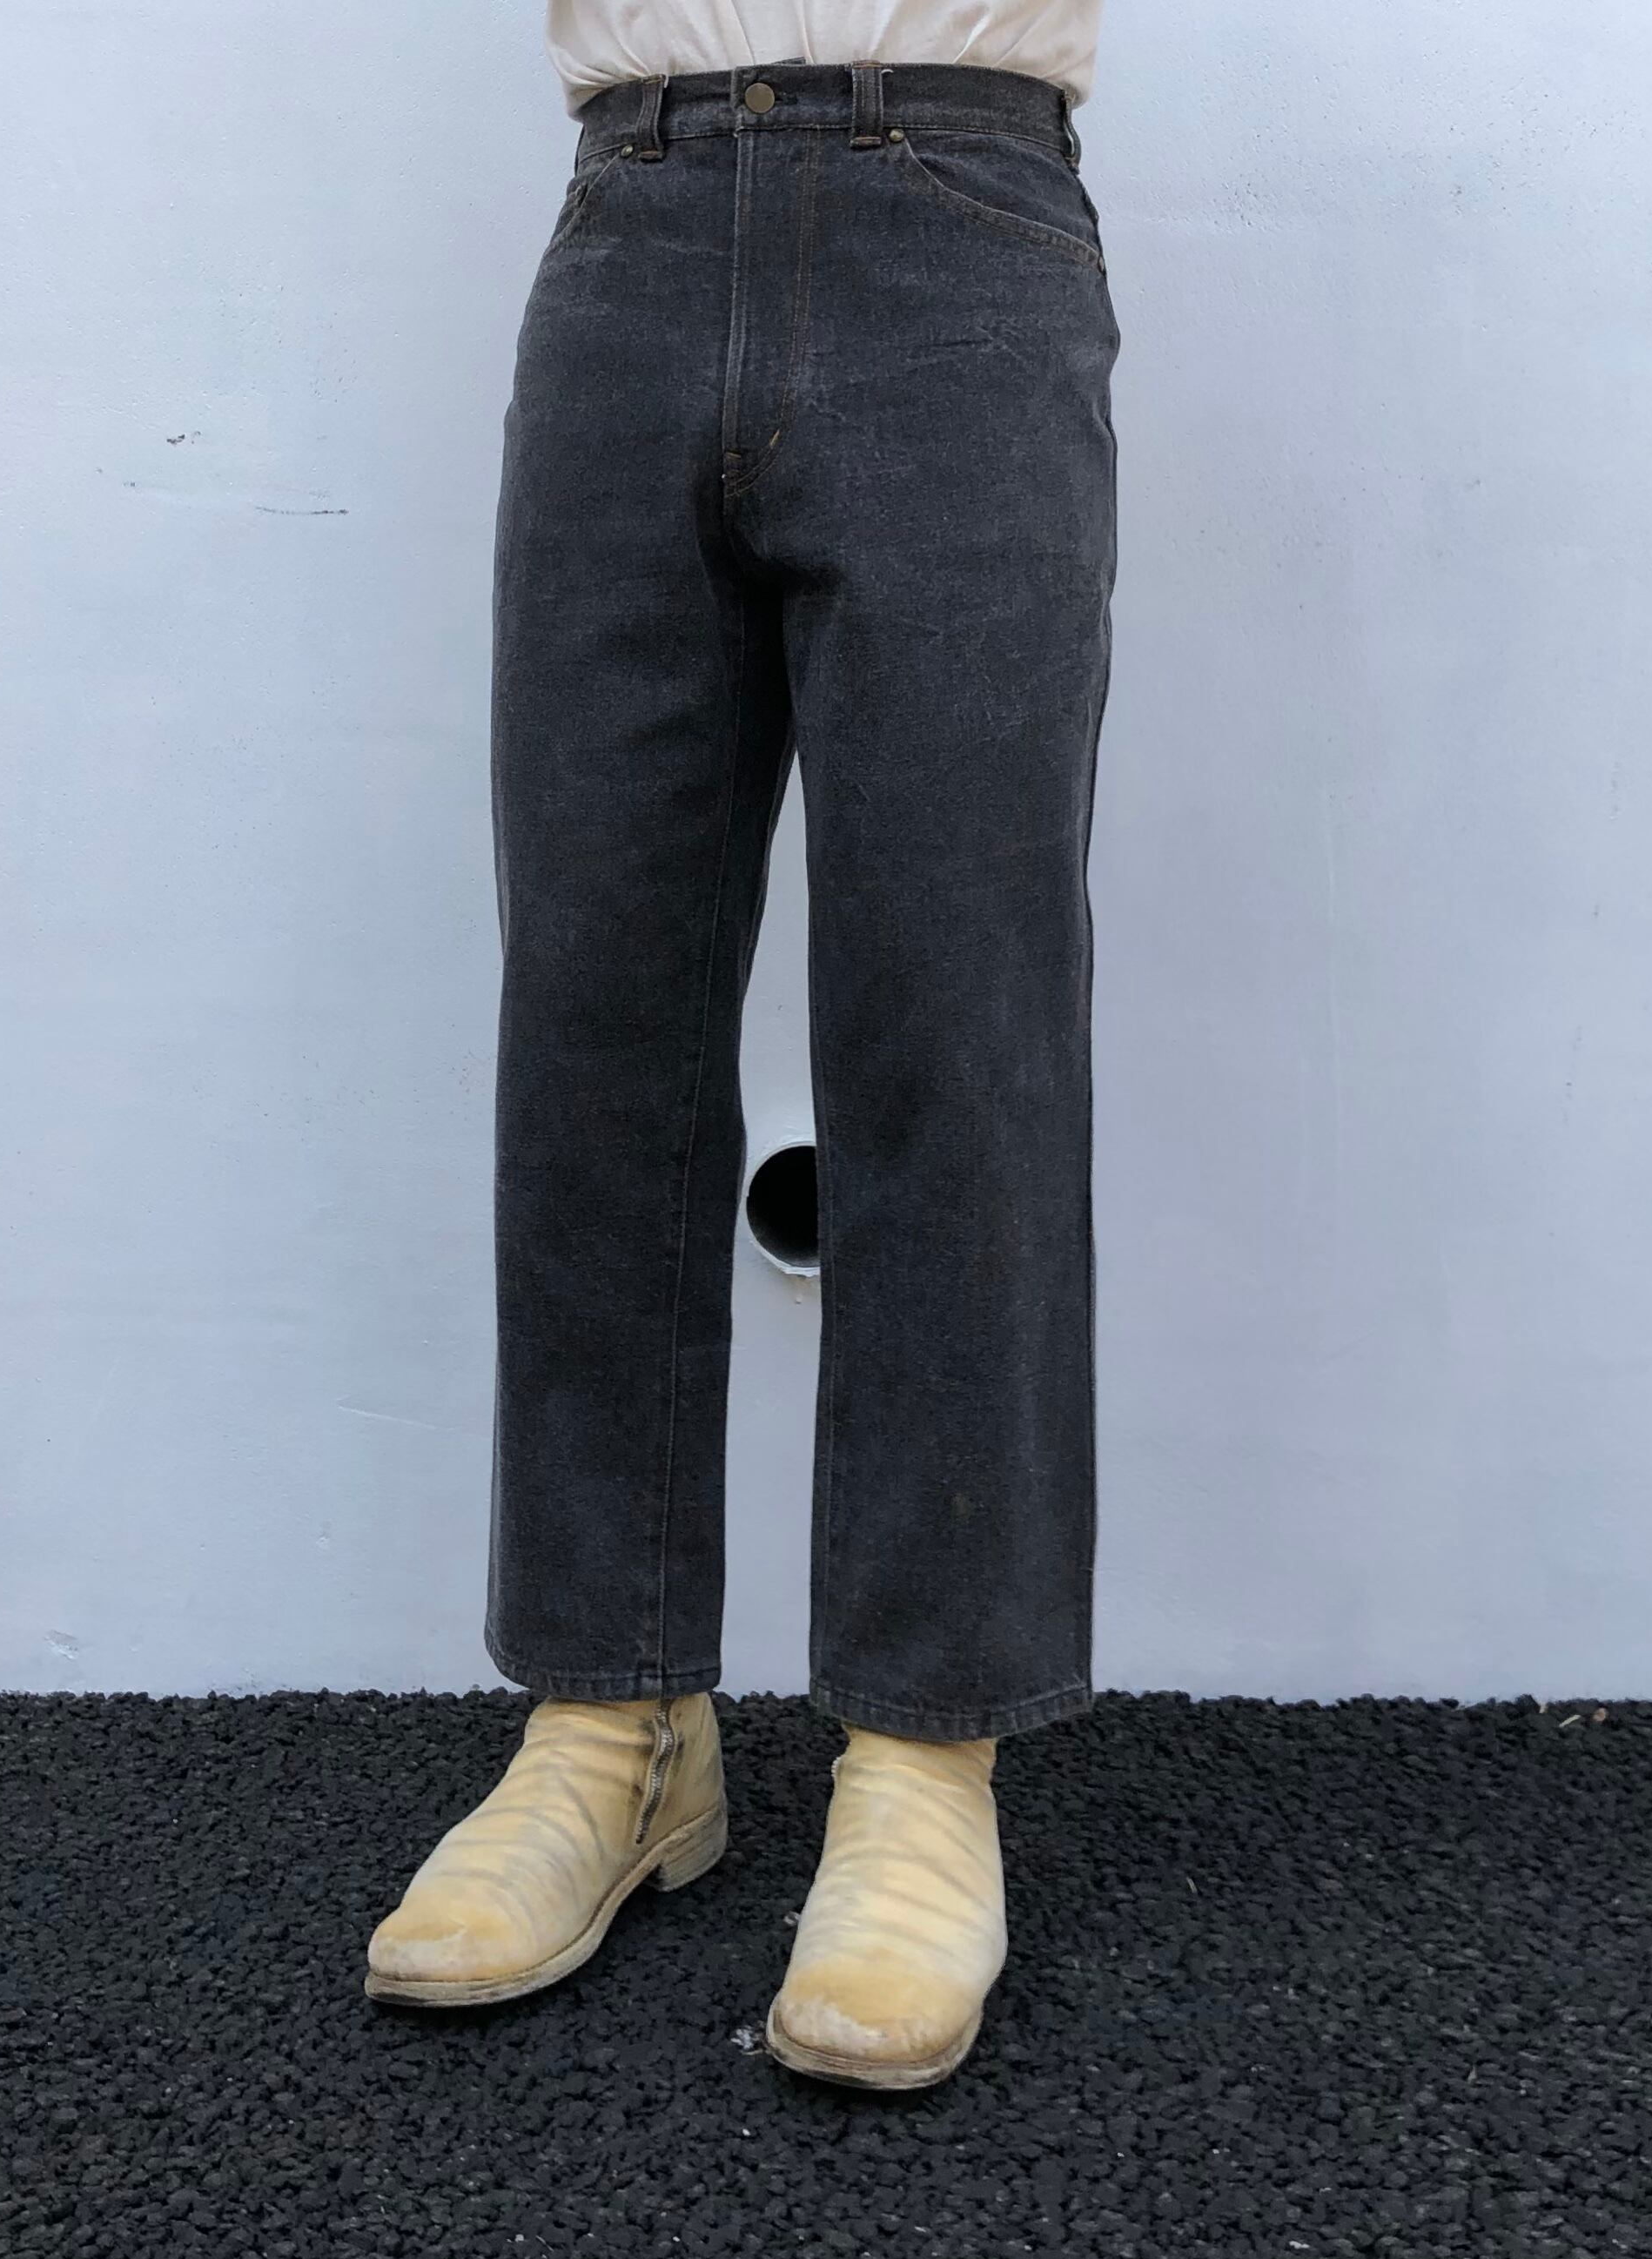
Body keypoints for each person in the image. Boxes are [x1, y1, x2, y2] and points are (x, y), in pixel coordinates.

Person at [366, 5, 1117, 2092]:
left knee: (954, 1020)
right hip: (631, 207)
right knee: (593, 1010)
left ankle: (922, 1759)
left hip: (958, 212)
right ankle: (611, 1721)